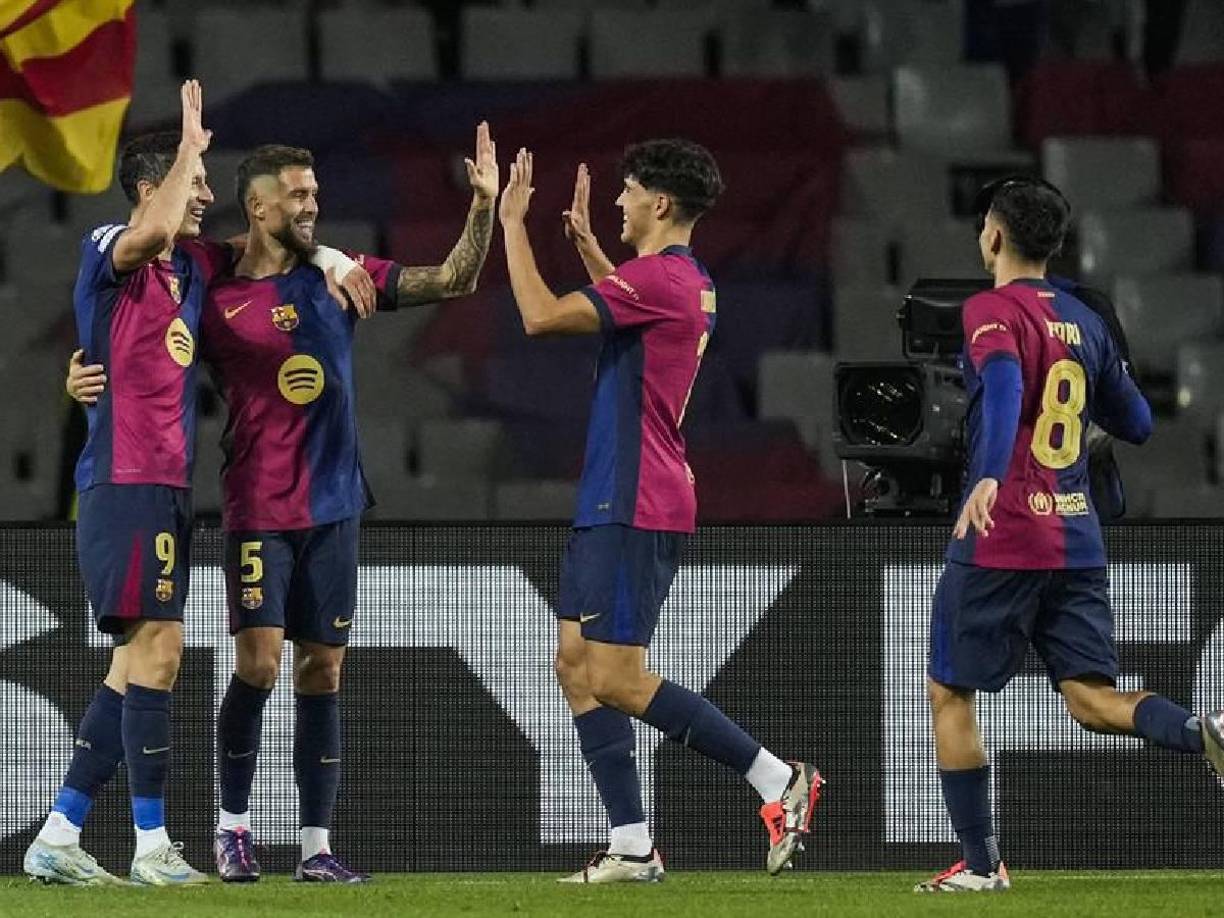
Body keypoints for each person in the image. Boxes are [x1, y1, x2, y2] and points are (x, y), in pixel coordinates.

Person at [497, 140, 822, 883]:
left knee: (613, 675)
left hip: (637, 495)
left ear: (661, 205)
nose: (618, 203)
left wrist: (512, 223)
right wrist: (586, 251)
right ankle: (633, 845)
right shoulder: (683, 279)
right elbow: (632, 316)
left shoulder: (662, 279)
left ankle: (778, 778)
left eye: (630, 191)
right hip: (615, 490)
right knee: (575, 666)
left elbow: (541, 318)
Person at [916, 176, 1224, 892]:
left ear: (994, 235)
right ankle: (1202, 730)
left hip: (1004, 536)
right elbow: (1140, 424)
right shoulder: (1085, 321)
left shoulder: (991, 309)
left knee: (947, 691)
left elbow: (999, 389)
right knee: (1089, 699)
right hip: (1076, 537)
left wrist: (991, 474)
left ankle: (982, 865)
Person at [24, 82, 216, 887]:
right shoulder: (112, 242)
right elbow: (149, 233)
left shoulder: (190, 277)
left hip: (165, 482)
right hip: (124, 475)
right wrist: (189, 146)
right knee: (160, 651)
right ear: (152, 188)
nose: (205, 195)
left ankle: (59, 836)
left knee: (132, 663)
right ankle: (149, 846)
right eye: (194, 183)